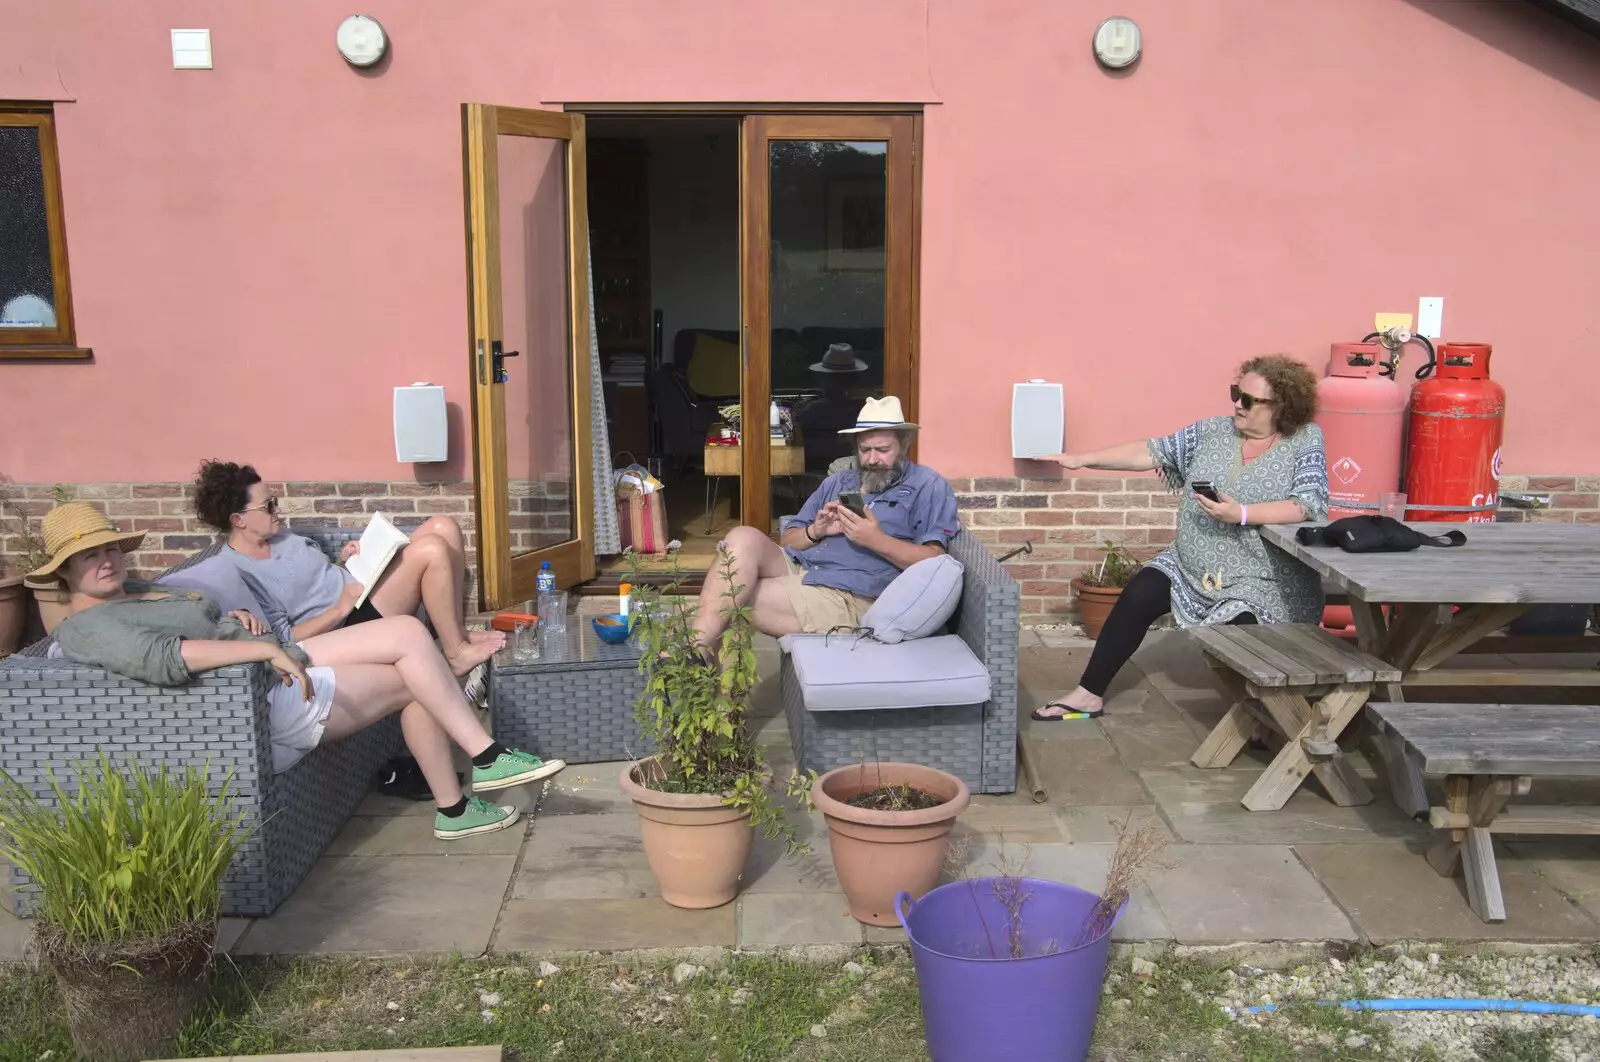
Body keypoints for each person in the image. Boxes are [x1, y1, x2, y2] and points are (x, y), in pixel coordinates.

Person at [36, 502, 564, 840]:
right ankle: (480, 770)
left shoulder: (135, 592)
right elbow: (169, 658)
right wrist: (259, 651)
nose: (106, 561)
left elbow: (197, 622)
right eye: (89, 557)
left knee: (411, 643)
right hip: (262, 697)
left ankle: (463, 797)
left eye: (109, 548)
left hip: (276, 662)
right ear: (63, 571)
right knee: (414, 659)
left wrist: (234, 620)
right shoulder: (86, 626)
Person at [1032, 354, 1330, 721]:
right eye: (1237, 392)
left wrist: (1242, 514)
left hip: (1261, 581)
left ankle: (1269, 721)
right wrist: (1082, 459)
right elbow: (1150, 450)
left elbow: (1307, 504)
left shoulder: (1305, 440)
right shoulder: (1212, 431)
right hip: (1191, 562)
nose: (1238, 403)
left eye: (1250, 399)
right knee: (1140, 592)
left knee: (1237, 641)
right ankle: (1087, 694)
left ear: (1282, 406)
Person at [686, 396, 960, 655]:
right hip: (804, 567)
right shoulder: (840, 482)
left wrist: (876, 540)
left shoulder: (928, 486)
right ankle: (697, 652)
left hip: (848, 592)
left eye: (883, 450)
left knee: (732, 591)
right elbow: (788, 540)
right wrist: (814, 532)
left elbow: (936, 560)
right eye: (865, 450)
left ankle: (694, 653)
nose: (872, 459)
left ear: (904, 445)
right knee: (741, 537)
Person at [192, 460, 501, 679]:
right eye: (268, 505)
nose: (278, 509)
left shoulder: (279, 534)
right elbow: (284, 636)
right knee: (432, 549)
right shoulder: (240, 571)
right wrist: (339, 609)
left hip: (359, 588)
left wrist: (343, 561)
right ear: (238, 520)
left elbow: (310, 579)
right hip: (347, 624)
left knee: (443, 526)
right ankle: (456, 654)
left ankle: (456, 634)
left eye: (274, 500)